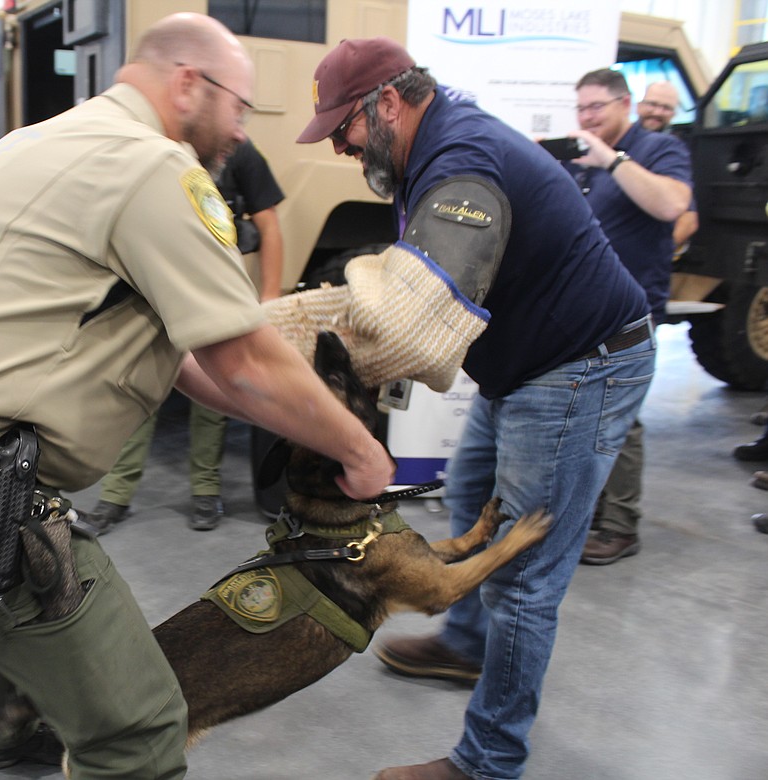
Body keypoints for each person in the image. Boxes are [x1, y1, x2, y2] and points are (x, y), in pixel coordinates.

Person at [0, 14, 394, 778]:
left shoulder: (43, 142)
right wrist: (361, 452)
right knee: (141, 729)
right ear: (188, 83)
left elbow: (181, 357)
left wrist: (277, 410)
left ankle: (1, 732)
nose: (241, 131)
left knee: (21, 598)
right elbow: (241, 359)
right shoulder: (154, 168)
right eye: (241, 107)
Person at [295, 38, 656, 780]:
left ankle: (488, 762)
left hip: (578, 368)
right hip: (531, 367)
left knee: (523, 578)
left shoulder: (460, 162)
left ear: (388, 102)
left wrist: (297, 360)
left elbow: (416, 328)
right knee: (467, 496)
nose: (337, 146)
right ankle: (464, 642)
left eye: (343, 128)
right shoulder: (429, 146)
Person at [84, 138, 285, 533]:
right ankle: (115, 496)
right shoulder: (148, 147)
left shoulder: (236, 149)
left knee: (214, 390)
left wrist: (271, 298)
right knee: (140, 385)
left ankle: (206, 491)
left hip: (211, 287)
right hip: (151, 285)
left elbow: (268, 221)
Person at [566, 71, 692, 566]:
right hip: (580, 307)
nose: (588, 117)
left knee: (621, 415)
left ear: (625, 103)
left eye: (596, 106)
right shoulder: (580, 157)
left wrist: (613, 160)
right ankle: (590, 515)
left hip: (631, 308)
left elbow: (673, 205)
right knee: (582, 413)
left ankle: (620, 526)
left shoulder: (657, 148)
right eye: (581, 108)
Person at [635, 81, 699, 254]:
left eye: (666, 108)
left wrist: (657, 256)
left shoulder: (672, 154)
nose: (657, 112)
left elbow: (689, 219)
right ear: (638, 106)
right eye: (652, 104)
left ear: (673, 114)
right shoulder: (615, 143)